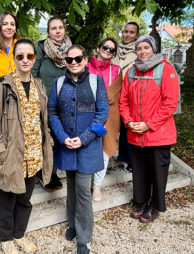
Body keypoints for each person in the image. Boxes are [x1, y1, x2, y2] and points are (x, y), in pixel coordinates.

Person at [0, 39, 54, 254]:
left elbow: (44, 121)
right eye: (20, 56)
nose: (25, 60)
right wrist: (1, 154)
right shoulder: (1, 88)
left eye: (30, 56)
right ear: (14, 58)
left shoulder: (39, 86)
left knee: (25, 201)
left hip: (34, 156)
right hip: (11, 157)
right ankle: (6, 239)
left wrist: (47, 145)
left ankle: (19, 235)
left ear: (34, 58)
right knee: (7, 201)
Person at [48, 45, 109, 254]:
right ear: (65, 61)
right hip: (66, 146)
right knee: (72, 187)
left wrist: (82, 139)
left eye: (78, 58)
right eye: (69, 59)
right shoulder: (58, 84)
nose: (74, 62)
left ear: (85, 59)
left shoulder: (96, 82)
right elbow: (52, 113)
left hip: (87, 146)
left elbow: (102, 114)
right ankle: (73, 224)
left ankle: (84, 237)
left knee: (83, 190)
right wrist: (64, 138)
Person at [119, 35, 179, 223]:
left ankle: (155, 206)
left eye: (146, 47)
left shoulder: (166, 70)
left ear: (153, 49)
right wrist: (129, 122)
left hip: (158, 134)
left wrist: (148, 124)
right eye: (139, 48)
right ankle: (142, 202)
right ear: (135, 51)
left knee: (157, 172)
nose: (143, 51)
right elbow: (124, 102)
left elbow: (170, 104)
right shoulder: (131, 72)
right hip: (136, 133)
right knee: (140, 170)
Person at [31, 16, 72, 192]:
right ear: (48, 32)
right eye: (53, 28)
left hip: (64, 103)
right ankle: (42, 174)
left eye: (60, 27)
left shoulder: (71, 51)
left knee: (57, 138)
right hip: (44, 101)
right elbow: (32, 71)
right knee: (43, 138)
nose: (57, 31)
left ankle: (53, 172)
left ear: (64, 30)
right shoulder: (40, 48)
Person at [86, 38, 121, 201]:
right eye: (105, 47)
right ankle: (85, 182)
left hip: (108, 114)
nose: (107, 50)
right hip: (86, 112)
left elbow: (117, 94)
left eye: (112, 49)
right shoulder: (85, 66)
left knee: (105, 149)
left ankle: (97, 185)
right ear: (98, 47)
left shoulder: (116, 70)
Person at [112, 22, 140, 173]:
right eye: (126, 32)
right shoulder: (114, 50)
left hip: (129, 96)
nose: (128, 35)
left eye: (131, 32)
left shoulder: (139, 52)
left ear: (137, 35)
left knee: (127, 127)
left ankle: (127, 159)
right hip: (112, 94)